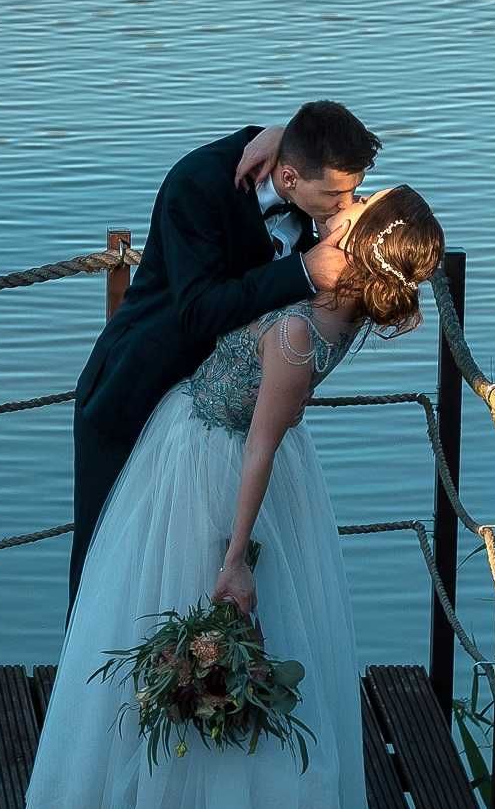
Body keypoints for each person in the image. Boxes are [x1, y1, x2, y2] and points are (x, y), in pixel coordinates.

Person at [27, 181, 447, 809]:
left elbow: (258, 447)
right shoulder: (344, 303)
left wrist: (234, 554)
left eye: (364, 205)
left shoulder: (296, 332)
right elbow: (344, 216)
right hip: (222, 453)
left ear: (366, 248)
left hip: (213, 470)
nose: (351, 205)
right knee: (197, 635)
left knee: (187, 625)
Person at [68, 102, 381, 599]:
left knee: (198, 578)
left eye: (353, 190)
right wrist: (303, 274)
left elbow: (367, 184)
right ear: (290, 176)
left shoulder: (308, 179)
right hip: (135, 395)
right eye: (337, 194)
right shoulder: (196, 185)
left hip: (221, 431)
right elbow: (198, 311)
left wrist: (278, 131)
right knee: (111, 576)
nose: (348, 204)